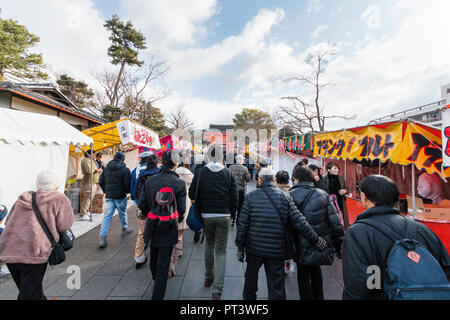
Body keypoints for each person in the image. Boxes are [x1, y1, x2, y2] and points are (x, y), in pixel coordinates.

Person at [342, 175, 450, 300]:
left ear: (364, 197)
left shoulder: (357, 232)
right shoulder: (421, 229)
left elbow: (358, 283)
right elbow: (445, 268)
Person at [236, 167, 327, 300]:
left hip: (254, 248)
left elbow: (242, 224)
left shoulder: (250, 197)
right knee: (276, 287)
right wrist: (316, 240)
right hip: (276, 249)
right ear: (274, 180)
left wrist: (240, 247)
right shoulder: (285, 196)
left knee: (250, 282)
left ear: (259, 180)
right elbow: (300, 221)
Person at [0, 170, 73, 300]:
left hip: (9, 249)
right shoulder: (60, 199)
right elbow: (64, 226)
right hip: (35, 251)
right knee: (29, 293)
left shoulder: (23, 198)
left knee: (30, 289)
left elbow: (9, 220)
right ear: (56, 184)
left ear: (38, 183)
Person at [188, 144, 238, 300]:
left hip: (206, 215)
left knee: (209, 244)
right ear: (222, 157)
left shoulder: (201, 172)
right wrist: (232, 216)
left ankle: (208, 277)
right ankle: (217, 289)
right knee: (221, 251)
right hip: (224, 216)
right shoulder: (228, 173)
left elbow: (191, 194)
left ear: (208, 157)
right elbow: (234, 198)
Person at [289, 166, 345, 300]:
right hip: (321, 240)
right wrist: (339, 242)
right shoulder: (322, 194)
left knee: (303, 274)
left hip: (299, 242)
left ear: (296, 179)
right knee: (316, 269)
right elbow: (336, 222)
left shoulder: (289, 195)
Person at [138, 150, 187, 300]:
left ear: (162, 162)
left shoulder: (150, 181)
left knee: (154, 255)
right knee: (163, 264)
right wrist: (171, 219)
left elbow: (142, 204)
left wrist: (152, 215)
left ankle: (155, 276)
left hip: (152, 225)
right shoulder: (178, 183)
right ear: (176, 164)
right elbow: (182, 209)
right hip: (169, 226)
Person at [98, 151, 132, 248]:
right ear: (122, 159)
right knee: (122, 212)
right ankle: (124, 227)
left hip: (109, 196)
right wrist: (126, 191)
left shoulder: (106, 168)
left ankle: (102, 237)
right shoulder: (125, 169)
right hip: (120, 196)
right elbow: (127, 184)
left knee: (107, 217)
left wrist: (106, 191)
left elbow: (101, 181)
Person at [133, 154, 160, 269]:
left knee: (141, 233)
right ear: (157, 163)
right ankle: (158, 257)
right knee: (158, 233)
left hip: (142, 208)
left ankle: (139, 257)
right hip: (158, 208)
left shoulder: (141, 175)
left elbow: (135, 192)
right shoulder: (160, 173)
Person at [170, 161, 194, 277]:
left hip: (173, 201)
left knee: (173, 228)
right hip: (186, 202)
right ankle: (178, 251)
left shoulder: (174, 173)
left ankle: (174, 252)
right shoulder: (190, 175)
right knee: (181, 230)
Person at [229, 154, 251, 226]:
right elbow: (248, 180)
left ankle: (232, 219)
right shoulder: (245, 169)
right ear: (241, 160)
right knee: (240, 206)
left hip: (232, 189)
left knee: (232, 204)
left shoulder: (230, 167)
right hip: (241, 189)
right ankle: (238, 220)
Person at [80, 150, 102, 220]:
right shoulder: (86, 161)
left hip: (92, 182)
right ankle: (83, 213)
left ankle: (86, 211)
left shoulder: (90, 160)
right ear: (90, 154)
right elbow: (89, 171)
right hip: (89, 182)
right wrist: (98, 171)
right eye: (94, 154)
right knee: (88, 198)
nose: (95, 155)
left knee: (89, 198)